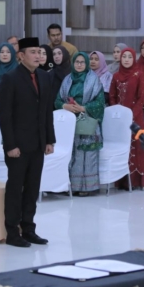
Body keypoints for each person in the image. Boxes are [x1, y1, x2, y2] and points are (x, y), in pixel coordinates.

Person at [0, 37, 56, 248]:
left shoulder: (44, 77)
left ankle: (29, 228)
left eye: (39, 52)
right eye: (33, 52)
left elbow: (47, 110)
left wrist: (49, 139)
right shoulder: (10, 78)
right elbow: (5, 115)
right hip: (18, 146)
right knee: (15, 188)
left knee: (32, 188)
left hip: (38, 143)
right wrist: (10, 145)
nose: (38, 55)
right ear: (21, 55)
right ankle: (12, 232)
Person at [55, 52, 105, 196]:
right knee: (71, 154)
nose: (79, 65)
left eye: (82, 62)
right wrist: (65, 106)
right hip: (69, 123)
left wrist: (83, 108)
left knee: (86, 154)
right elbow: (57, 100)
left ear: (87, 64)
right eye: (77, 62)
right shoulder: (67, 80)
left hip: (87, 122)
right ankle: (69, 186)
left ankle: (86, 187)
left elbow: (100, 103)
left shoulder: (94, 80)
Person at [109, 47, 144, 188]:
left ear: (134, 59)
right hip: (120, 120)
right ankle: (121, 181)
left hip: (136, 118)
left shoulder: (139, 74)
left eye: (129, 57)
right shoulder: (116, 76)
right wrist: (118, 114)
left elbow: (141, 98)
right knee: (121, 147)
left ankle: (136, 182)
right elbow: (112, 96)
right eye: (124, 56)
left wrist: (131, 115)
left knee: (136, 147)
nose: (126, 59)